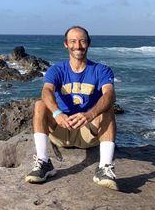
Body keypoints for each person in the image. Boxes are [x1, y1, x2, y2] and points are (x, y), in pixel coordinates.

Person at [25, 26, 118, 190]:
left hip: (88, 132)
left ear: (88, 44)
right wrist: (57, 113)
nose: (78, 45)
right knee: (40, 104)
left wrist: (90, 114)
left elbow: (109, 94)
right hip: (61, 128)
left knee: (108, 109)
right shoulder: (57, 70)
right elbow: (46, 91)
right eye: (73, 41)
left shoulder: (101, 70)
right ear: (66, 44)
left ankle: (104, 168)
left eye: (82, 41)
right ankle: (44, 163)